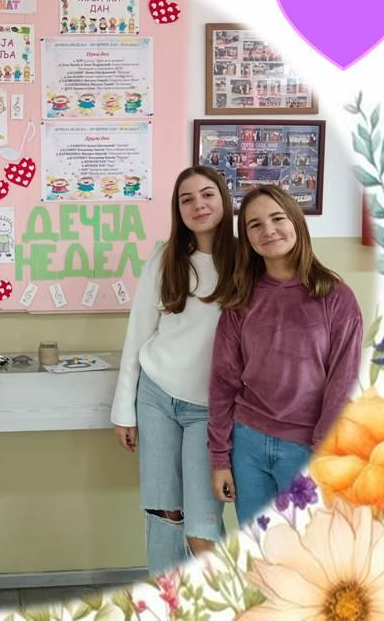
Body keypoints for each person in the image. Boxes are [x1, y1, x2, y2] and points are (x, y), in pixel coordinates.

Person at [207, 185, 362, 526]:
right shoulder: (240, 298)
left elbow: (342, 382)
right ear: (247, 237)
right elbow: (223, 381)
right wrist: (219, 457)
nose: (269, 230)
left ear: (295, 221)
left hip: (307, 448)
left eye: (277, 218)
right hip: (247, 445)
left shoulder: (336, 297)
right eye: (255, 224)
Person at [111, 166, 236, 574]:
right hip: (157, 397)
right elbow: (138, 333)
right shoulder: (165, 258)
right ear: (178, 209)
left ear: (223, 199)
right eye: (187, 199)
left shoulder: (246, 260)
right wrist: (123, 410)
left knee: (202, 526)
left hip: (210, 410)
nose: (198, 204)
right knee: (165, 514)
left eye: (207, 194)